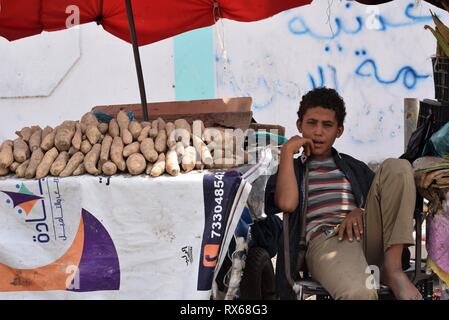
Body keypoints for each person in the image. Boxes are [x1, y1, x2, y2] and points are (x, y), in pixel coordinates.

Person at [265, 87, 421, 300]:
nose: (318, 132)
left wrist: (361, 211)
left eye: (327, 125)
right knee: (359, 293)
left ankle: (392, 269)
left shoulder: (353, 167)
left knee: (399, 167)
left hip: (369, 238)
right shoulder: (291, 169)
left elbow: (386, 204)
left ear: (339, 131)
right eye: (311, 123)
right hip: (329, 240)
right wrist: (286, 153)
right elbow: (287, 203)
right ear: (299, 125)